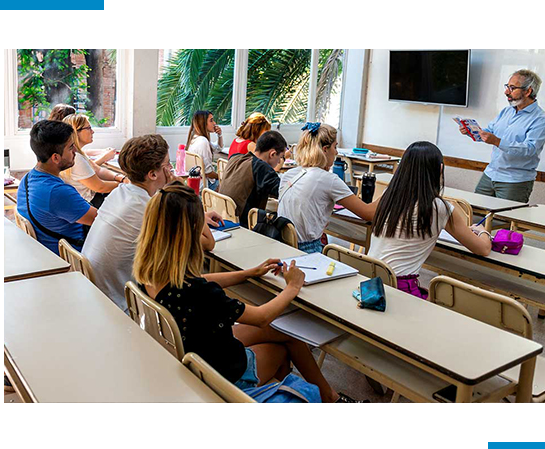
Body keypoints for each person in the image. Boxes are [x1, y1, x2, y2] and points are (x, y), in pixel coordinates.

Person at [133, 181, 362, 402]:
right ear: (190, 233)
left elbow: (201, 279)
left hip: (197, 352)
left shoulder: (149, 275)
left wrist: (247, 273)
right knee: (283, 344)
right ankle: (317, 397)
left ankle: (318, 396)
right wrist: (292, 287)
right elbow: (262, 317)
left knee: (281, 333)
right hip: (223, 374)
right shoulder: (202, 294)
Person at [82, 134, 222, 312]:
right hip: (119, 305)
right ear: (152, 174)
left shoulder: (121, 192)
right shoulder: (151, 210)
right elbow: (208, 243)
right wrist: (187, 194)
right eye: (167, 165)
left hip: (95, 293)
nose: (170, 169)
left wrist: (197, 214)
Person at [368, 142, 492, 297]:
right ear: (440, 169)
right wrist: (482, 232)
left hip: (368, 279)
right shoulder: (438, 207)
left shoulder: (390, 194)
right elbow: (483, 249)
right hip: (397, 288)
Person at [278, 122, 378, 253]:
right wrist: (392, 190)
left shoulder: (289, 174)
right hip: (307, 251)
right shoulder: (329, 179)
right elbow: (368, 213)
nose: (336, 152)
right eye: (335, 147)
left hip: (282, 246)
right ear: (325, 149)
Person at [459, 69, 545, 203]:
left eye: (512, 88)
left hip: (514, 181)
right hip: (490, 174)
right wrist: (471, 131)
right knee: (474, 214)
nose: (506, 92)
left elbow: (530, 149)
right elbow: (489, 131)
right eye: (507, 86)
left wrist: (497, 141)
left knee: (504, 222)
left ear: (528, 91)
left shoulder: (541, 120)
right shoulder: (506, 111)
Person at [16, 120, 97, 255]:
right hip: (73, 256)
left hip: (44, 251)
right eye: (71, 147)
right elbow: (101, 220)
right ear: (55, 158)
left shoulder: (28, 178)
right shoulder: (57, 192)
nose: (75, 151)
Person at [219, 131, 287, 227]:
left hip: (224, 215)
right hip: (244, 223)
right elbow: (284, 193)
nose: (279, 162)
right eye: (280, 158)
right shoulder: (262, 168)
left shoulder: (235, 158)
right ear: (272, 154)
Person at [61, 114, 128, 208]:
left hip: (92, 198)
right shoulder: (76, 158)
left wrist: (122, 178)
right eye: (88, 128)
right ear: (76, 132)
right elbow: (100, 187)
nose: (92, 132)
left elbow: (98, 170)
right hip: (89, 203)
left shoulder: (78, 153)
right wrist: (124, 184)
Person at [186, 110, 224, 191]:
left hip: (196, 183)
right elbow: (208, 172)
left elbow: (218, 148)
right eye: (211, 120)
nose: (214, 123)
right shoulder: (203, 141)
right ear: (202, 123)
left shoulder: (195, 138)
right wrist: (221, 177)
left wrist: (219, 135)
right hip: (205, 185)